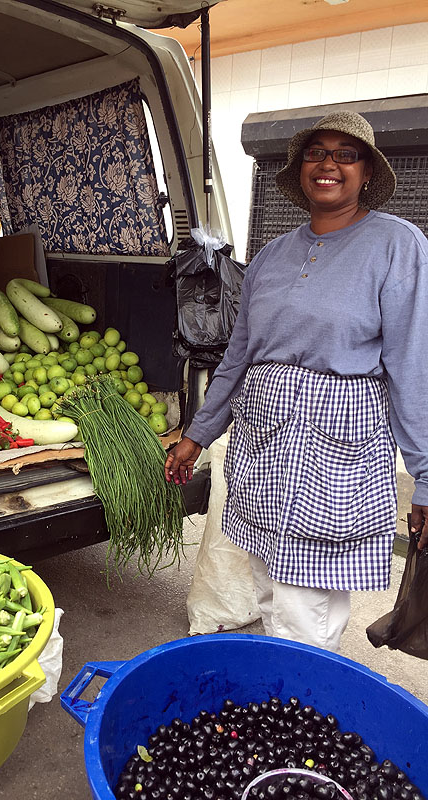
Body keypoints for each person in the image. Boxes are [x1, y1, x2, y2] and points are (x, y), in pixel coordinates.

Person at [165, 110, 428, 652]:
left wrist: (426, 475)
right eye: (316, 153)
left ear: (367, 172)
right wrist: (199, 433)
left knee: (306, 598)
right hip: (263, 443)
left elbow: (412, 365)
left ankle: (302, 702)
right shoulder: (270, 256)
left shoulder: (397, 245)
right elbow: (239, 356)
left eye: (344, 155)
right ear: (300, 168)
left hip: (336, 448)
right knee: (270, 583)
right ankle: (291, 696)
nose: (328, 164)